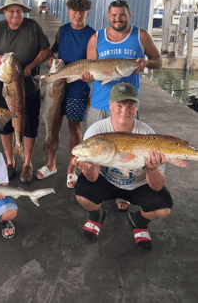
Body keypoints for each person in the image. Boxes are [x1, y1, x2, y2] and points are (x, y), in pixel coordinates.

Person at [72, 82, 173, 252]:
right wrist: (87, 168)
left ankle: (138, 222)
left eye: (130, 105)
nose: (125, 111)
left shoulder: (148, 134)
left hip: (137, 184)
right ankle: (96, 215)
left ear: (136, 106)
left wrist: (152, 168)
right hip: (107, 181)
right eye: (119, 105)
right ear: (110, 105)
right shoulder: (96, 131)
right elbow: (93, 177)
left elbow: (156, 186)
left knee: (163, 207)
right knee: (82, 192)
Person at [83, 0, 162, 209]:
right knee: (96, 150)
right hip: (100, 103)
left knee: (129, 152)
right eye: (114, 15)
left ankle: (123, 191)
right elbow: (90, 69)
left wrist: (147, 63)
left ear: (129, 15)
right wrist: (86, 76)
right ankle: (98, 189)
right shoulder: (96, 37)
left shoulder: (141, 35)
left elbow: (158, 60)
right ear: (108, 16)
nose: (118, 19)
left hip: (127, 105)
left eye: (122, 15)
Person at [0, 0, 51, 183]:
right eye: (11, 11)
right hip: (3, 88)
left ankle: (27, 164)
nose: (15, 14)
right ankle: (10, 161)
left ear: (23, 12)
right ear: (4, 12)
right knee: (5, 126)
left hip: (29, 88)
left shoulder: (33, 27)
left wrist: (31, 66)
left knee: (28, 127)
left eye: (19, 11)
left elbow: (46, 51)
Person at [36, 0, 95, 189]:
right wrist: (51, 61)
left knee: (74, 128)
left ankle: (72, 168)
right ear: (69, 12)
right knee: (53, 123)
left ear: (87, 14)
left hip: (78, 86)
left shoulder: (92, 34)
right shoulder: (62, 31)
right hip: (59, 82)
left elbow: (93, 63)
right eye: (74, 12)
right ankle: (51, 164)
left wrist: (90, 77)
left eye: (81, 12)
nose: (77, 15)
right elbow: (53, 52)